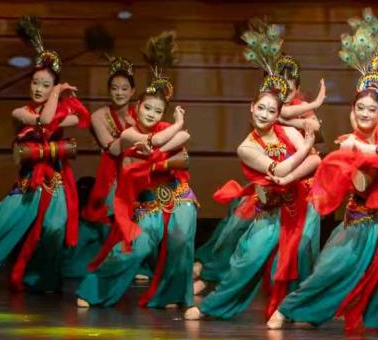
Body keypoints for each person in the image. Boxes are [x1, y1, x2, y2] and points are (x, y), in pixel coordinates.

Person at [271, 17, 378, 331]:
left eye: (371, 110)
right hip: (361, 213)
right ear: (353, 111)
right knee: (334, 266)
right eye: (360, 108)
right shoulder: (349, 141)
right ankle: (289, 309)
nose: (365, 114)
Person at [186, 19, 321, 324]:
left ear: (278, 114)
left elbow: (315, 163)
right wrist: (304, 151)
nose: (264, 114)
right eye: (260, 108)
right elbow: (282, 167)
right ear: (251, 107)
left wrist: (294, 170)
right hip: (269, 209)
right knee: (246, 260)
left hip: (301, 203)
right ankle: (211, 305)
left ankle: (295, 311)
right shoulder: (247, 146)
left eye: (271, 110)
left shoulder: (288, 132)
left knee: (300, 258)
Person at [0, 17, 89, 292]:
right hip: (28, 183)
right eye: (35, 82)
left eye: (46, 85)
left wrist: (58, 96)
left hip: (56, 183)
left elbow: (72, 119)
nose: (38, 89)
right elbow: (44, 122)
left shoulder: (65, 113)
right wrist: (57, 93)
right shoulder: (20, 113)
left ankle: (41, 281)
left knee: (54, 229)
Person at [77, 32, 197, 308]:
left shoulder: (167, 129)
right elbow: (158, 142)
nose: (152, 114)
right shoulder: (129, 134)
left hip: (178, 195)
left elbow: (184, 149)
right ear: (137, 107)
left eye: (158, 111)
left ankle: (172, 296)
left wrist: (164, 144)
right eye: (147, 108)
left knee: (180, 242)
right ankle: (94, 290)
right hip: (147, 203)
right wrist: (171, 135)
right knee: (133, 248)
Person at [63, 25, 138, 280]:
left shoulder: (141, 112)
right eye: (115, 88)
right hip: (112, 174)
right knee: (107, 216)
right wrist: (136, 132)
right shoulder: (99, 116)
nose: (119, 92)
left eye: (124, 88)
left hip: (136, 173)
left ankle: (134, 263)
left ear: (132, 92)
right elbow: (114, 148)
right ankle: (107, 261)